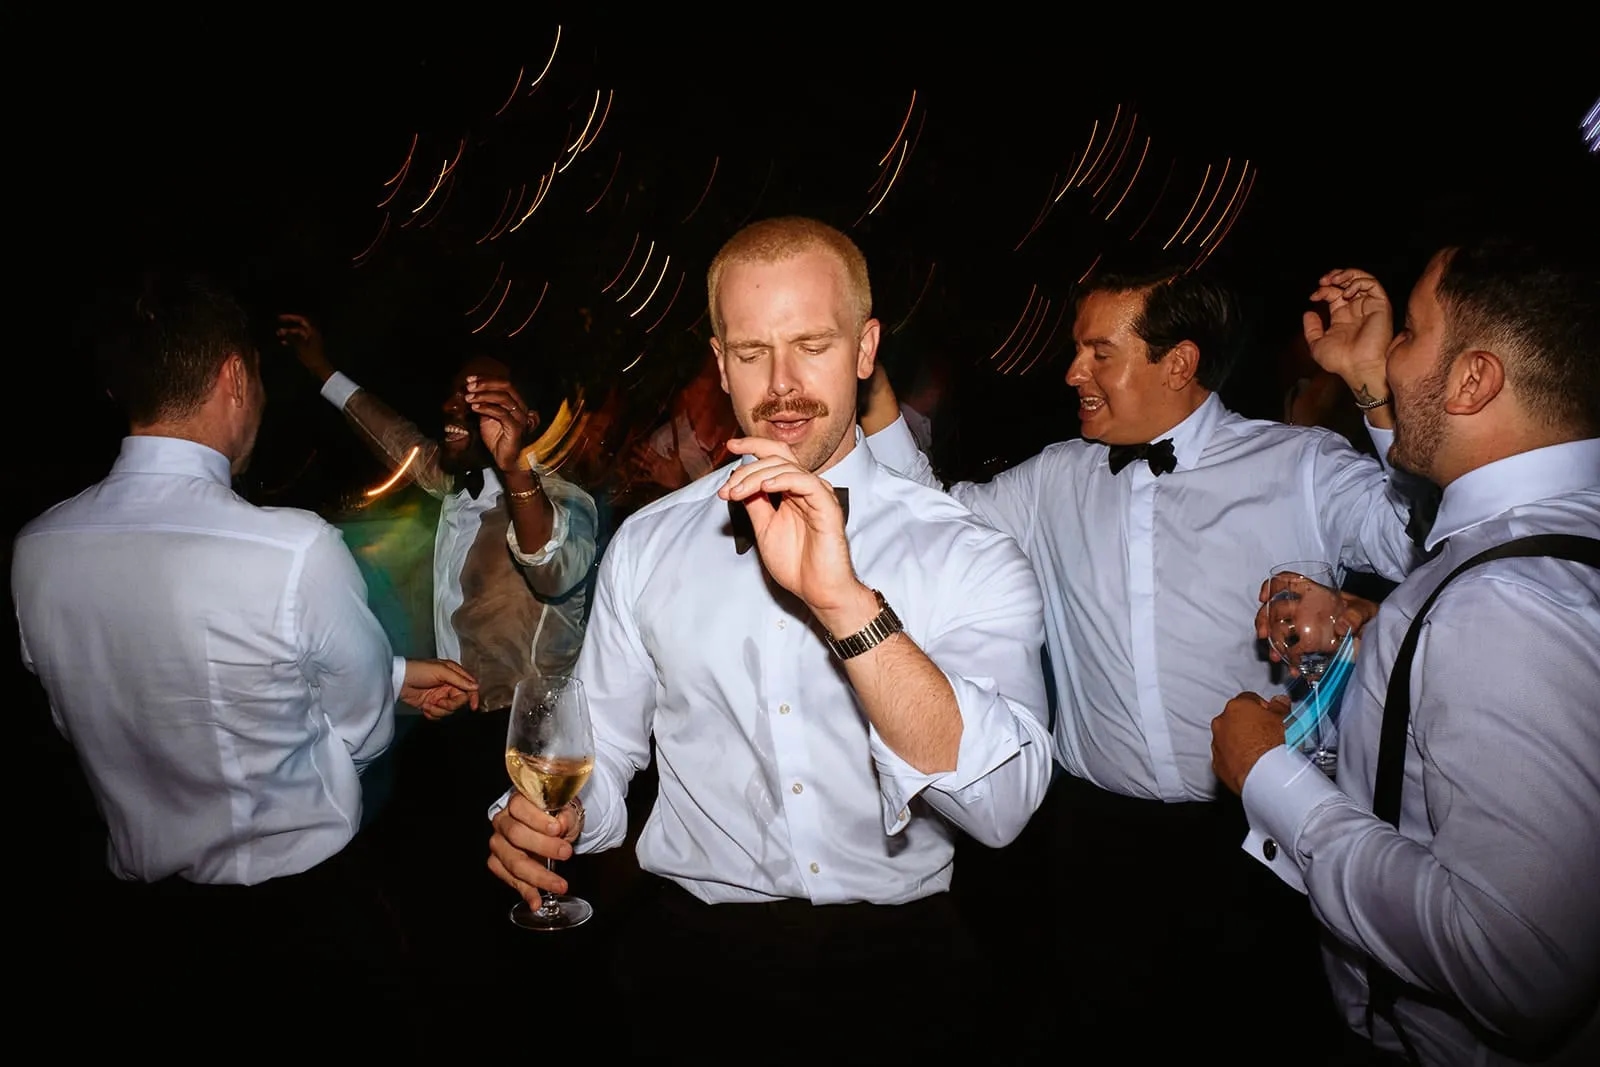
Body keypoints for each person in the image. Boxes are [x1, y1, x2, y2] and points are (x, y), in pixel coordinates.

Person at [485, 216, 1052, 1061]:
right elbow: (598, 750)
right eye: (751, 352)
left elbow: (1003, 810)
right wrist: (547, 816)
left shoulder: (963, 547)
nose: (781, 383)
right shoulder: (650, 542)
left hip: (903, 970)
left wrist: (847, 604)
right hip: (694, 970)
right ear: (719, 363)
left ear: (864, 349)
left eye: (811, 344)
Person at [861, 256, 1427, 1058]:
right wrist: (873, 397)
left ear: (1180, 361)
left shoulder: (1298, 467)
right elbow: (930, 524)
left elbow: (1427, 544)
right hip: (1100, 849)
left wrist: (1373, 384)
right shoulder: (1055, 478)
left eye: (1099, 352)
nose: (1071, 371)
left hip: (1265, 836)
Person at [10, 273, 479, 1029]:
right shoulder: (294, 549)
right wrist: (377, 690)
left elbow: (119, 696)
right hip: (302, 925)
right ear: (234, 376)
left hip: (140, 940)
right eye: (258, 377)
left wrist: (394, 673)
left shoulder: (37, 550)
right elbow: (359, 727)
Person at [1212, 235, 1599, 1066]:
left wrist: (1269, 777)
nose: (1388, 353)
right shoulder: (1549, 530)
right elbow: (1450, 564)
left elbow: (1518, 967)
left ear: (1474, 379)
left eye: (1410, 332)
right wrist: (1377, 630)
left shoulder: (1503, 607)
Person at [276, 314, 600, 958]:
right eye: (456, 394)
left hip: (526, 743)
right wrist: (320, 368)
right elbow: (391, 432)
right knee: (446, 918)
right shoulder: (451, 483)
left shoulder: (566, 502)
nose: (456, 407)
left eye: (480, 398)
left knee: (530, 917)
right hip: (449, 729)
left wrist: (515, 471)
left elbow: (553, 563)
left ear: (523, 420)